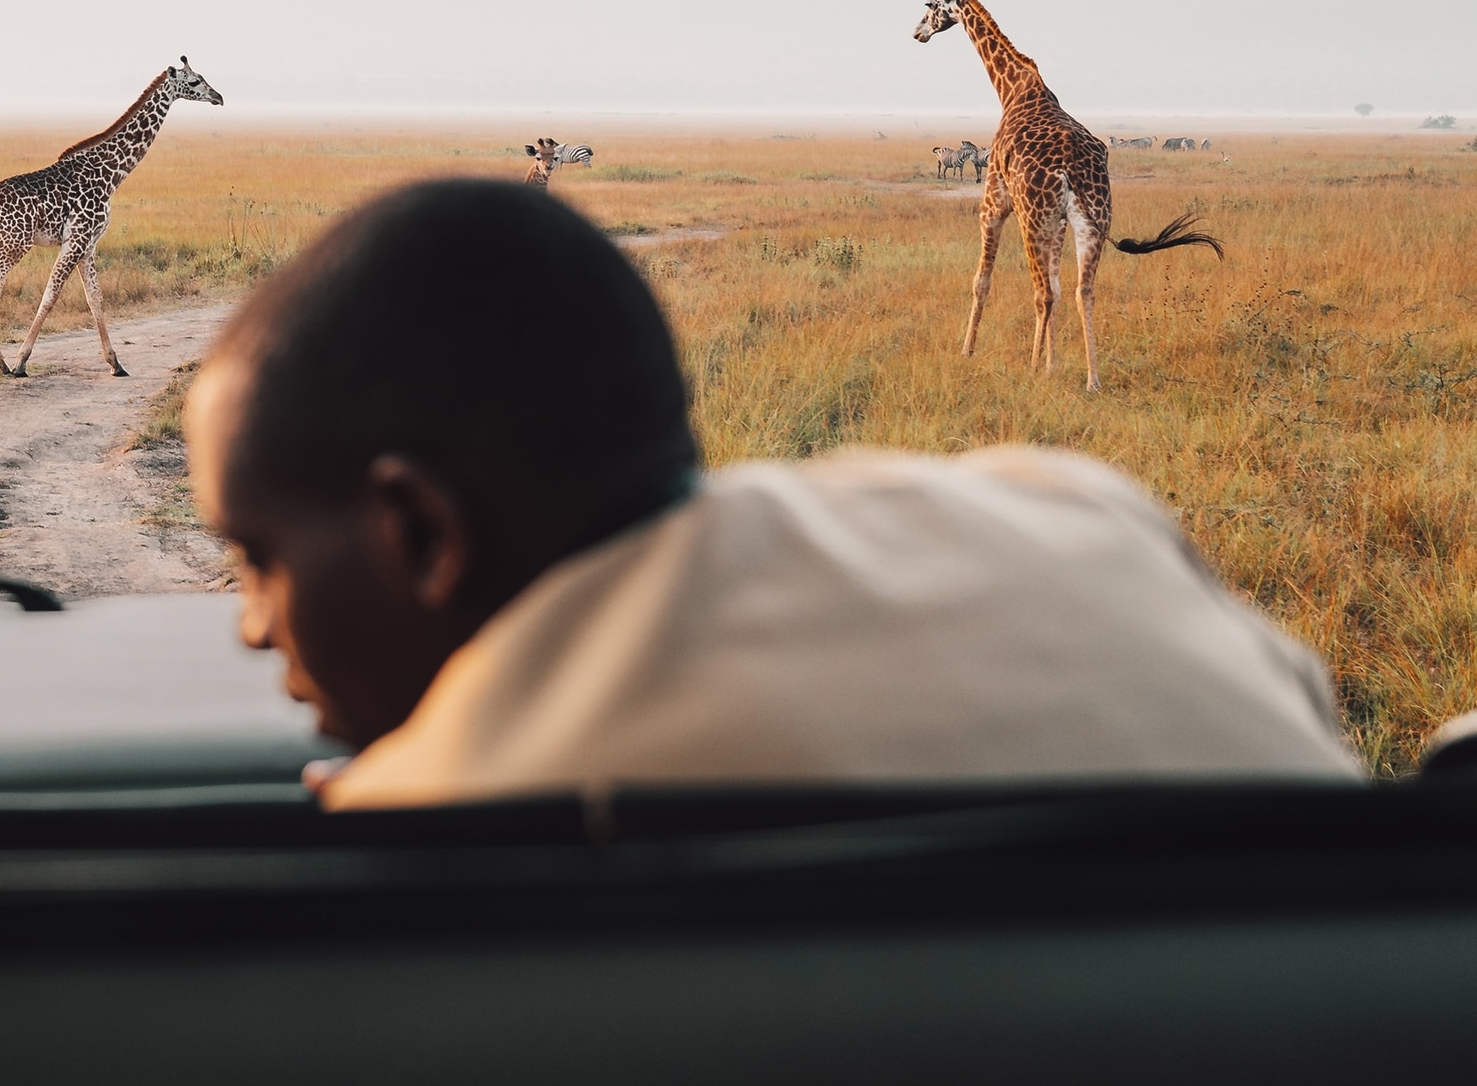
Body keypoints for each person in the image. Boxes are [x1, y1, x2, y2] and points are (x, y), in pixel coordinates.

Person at [181, 178, 1361, 807]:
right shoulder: (1074, 504)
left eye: (258, 557)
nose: (247, 621)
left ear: (422, 533)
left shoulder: (472, 804)